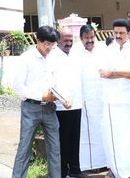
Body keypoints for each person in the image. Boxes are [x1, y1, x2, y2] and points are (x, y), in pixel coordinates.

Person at [12, 25, 62, 178]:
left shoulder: (54, 57)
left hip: (50, 108)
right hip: (30, 108)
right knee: (24, 147)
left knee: (54, 147)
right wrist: (41, 96)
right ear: (38, 40)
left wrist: (62, 96)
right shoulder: (26, 59)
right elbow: (18, 86)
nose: (50, 47)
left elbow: (57, 81)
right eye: (47, 44)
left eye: (52, 45)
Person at [99, 19, 130, 178]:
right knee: (111, 136)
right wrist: (120, 72)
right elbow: (103, 73)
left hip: (129, 100)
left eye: (122, 33)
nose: (118, 36)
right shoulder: (106, 51)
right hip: (112, 100)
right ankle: (114, 170)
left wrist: (113, 72)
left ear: (129, 33)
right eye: (116, 33)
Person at [48, 27, 83, 178]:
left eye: (71, 40)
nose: (68, 43)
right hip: (61, 107)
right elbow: (52, 83)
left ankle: (75, 170)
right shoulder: (52, 57)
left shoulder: (75, 55)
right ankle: (62, 172)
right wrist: (62, 99)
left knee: (75, 139)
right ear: (58, 40)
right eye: (65, 40)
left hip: (76, 105)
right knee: (62, 141)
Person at [76, 25, 108, 173]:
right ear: (81, 38)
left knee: (102, 130)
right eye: (87, 38)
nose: (90, 40)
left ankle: (104, 162)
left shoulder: (102, 50)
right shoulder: (76, 53)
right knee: (88, 133)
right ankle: (91, 165)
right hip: (86, 100)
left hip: (101, 98)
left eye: (92, 37)